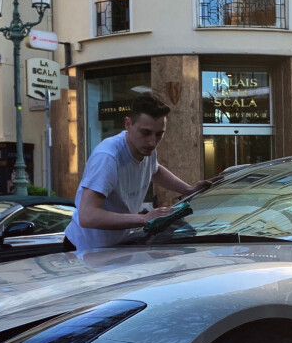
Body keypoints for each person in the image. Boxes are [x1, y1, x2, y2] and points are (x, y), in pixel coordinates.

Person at [62, 93, 201, 250]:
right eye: (146, 133)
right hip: (83, 249)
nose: (152, 142)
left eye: (159, 134)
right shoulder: (108, 156)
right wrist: (144, 219)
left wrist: (188, 189)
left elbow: (155, 170)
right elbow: (87, 216)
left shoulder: (146, 149)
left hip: (116, 246)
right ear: (127, 124)